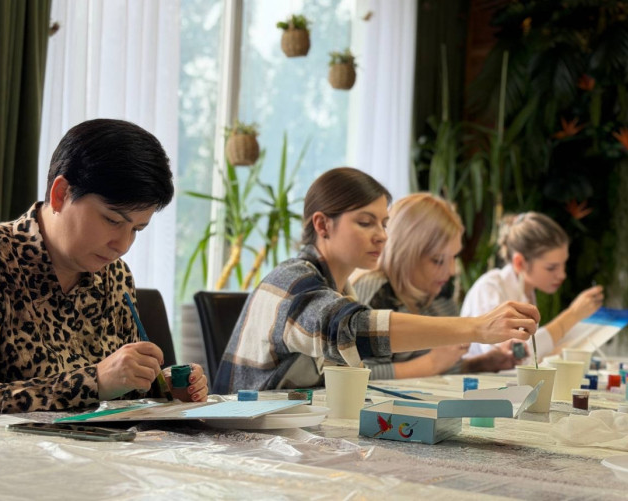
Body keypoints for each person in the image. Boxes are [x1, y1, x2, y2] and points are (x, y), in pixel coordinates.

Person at [213, 168, 539, 394]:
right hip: (241, 440)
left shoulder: (340, 290)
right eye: (366, 222)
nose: (382, 236)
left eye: (384, 224)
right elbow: (352, 330)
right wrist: (477, 327)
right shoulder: (294, 283)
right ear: (323, 225)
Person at [0, 119, 209, 414]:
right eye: (112, 220)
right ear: (61, 194)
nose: (123, 245)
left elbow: (122, 391)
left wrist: (162, 385)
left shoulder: (115, 275)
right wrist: (93, 382)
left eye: (136, 229)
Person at [353, 193, 520, 380]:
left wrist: (483, 363)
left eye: (454, 257)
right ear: (405, 255)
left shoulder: (438, 291)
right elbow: (355, 376)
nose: (452, 271)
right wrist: (432, 363)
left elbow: (443, 370)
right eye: (438, 260)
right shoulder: (376, 292)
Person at [461, 212, 604, 361]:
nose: (562, 275)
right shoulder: (489, 289)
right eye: (551, 268)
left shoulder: (528, 293)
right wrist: (572, 315)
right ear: (520, 263)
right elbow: (508, 357)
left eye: (564, 264)